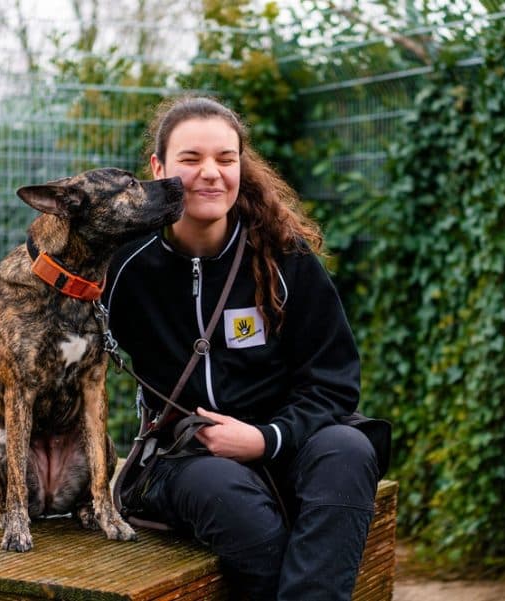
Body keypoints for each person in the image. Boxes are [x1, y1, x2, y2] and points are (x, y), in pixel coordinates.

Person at [102, 95, 388, 600]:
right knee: (234, 506)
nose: (210, 173)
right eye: (191, 159)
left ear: (240, 165)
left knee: (349, 449)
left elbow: (333, 381)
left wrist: (267, 438)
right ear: (158, 167)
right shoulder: (124, 265)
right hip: (182, 456)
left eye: (225, 159)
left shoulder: (284, 257)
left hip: (287, 441)